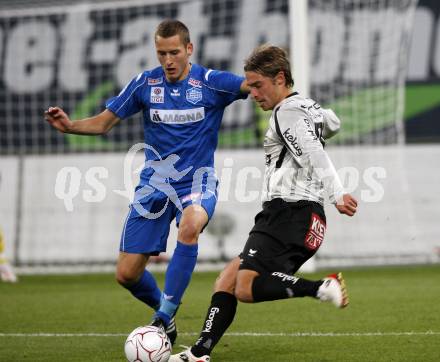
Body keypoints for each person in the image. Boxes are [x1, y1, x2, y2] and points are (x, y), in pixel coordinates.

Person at [44, 19, 248, 344]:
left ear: (189, 49)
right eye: (161, 53)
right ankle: (163, 313)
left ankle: (162, 317)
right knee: (126, 274)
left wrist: (283, 91)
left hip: (196, 180)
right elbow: (103, 123)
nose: (168, 60)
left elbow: (253, 85)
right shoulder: (144, 83)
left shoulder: (210, 83)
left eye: (174, 52)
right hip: (154, 184)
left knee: (192, 222)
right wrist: (70, 126)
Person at [170, 45, 358, 362]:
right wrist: (320, 114)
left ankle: (320, 288)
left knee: (244, 287)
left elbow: (314, 154)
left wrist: (337, 193)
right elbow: (334, 122)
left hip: (288, 213)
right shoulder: (304, 107)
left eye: (258, 85)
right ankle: (200, 353)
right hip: (305, 220)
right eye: (250, 85)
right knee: (227, 280)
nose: (252, 93)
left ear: (280, 78)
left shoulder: (285, 111)